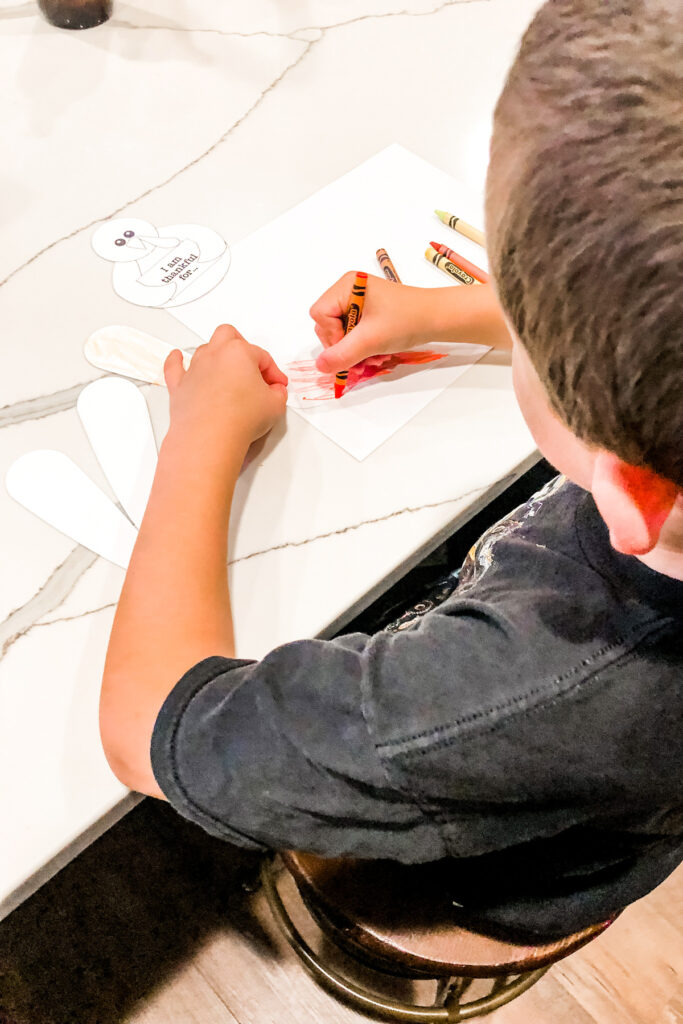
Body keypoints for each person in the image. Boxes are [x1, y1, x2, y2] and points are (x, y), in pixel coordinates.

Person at [99, 0, 682, 939]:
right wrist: (465, 311)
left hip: (494, 873)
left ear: (629, 490)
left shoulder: (525, 689)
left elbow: (147, 733)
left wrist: (198, 440)